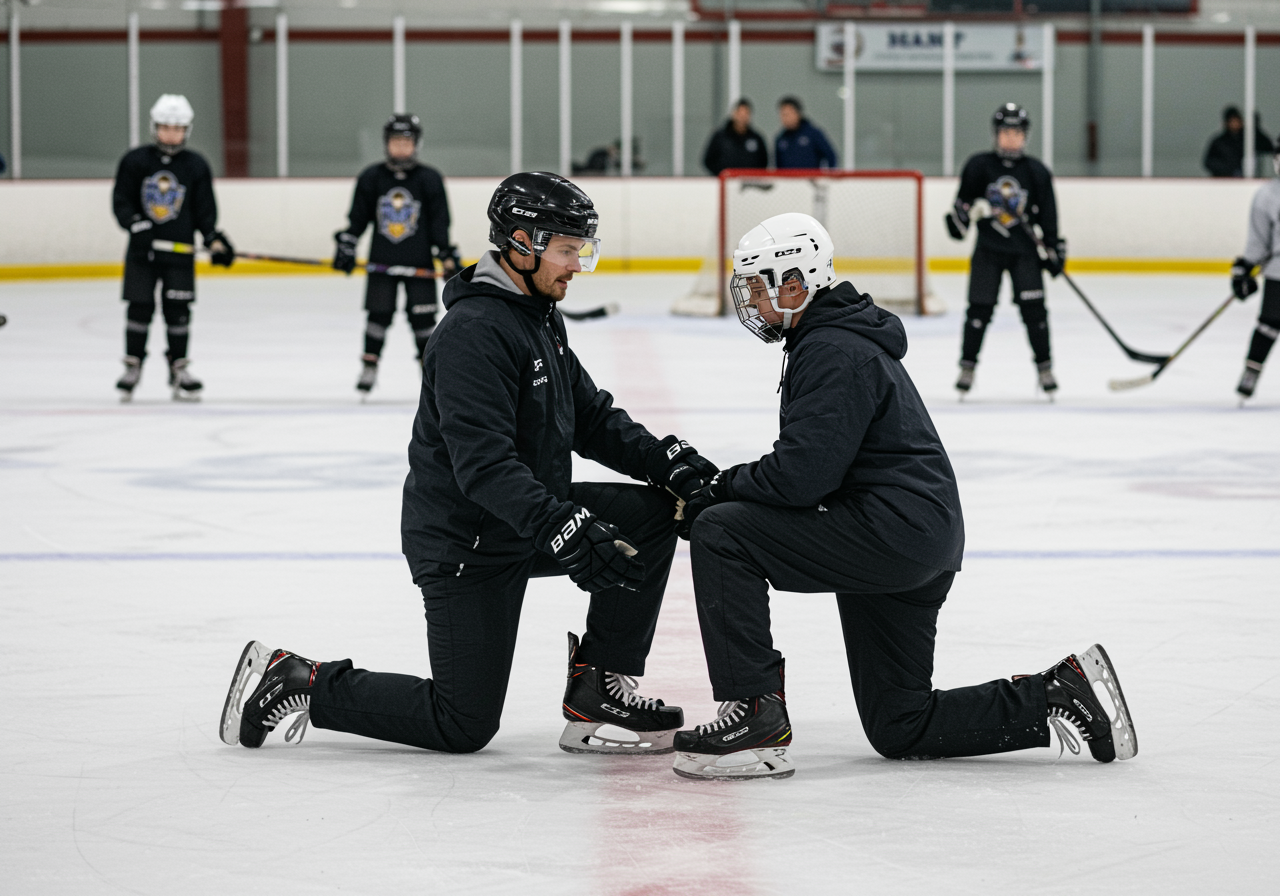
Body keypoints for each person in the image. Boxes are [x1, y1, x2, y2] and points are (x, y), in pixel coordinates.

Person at [221, 172, 720, 756]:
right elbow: (483, 466)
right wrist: (560, 524)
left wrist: (666, 462)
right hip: (466, 544)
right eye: (566, 250)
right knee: (462, 723)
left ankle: (598, 687)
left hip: (521, 522)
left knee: (652, 515)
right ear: (521, 243)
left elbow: (588, 416)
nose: (577, 266)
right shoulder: (474, 334)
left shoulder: (537, 313)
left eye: (581, 250)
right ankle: (300, 678)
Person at [665, 212, 1138, 780]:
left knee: (721, 531)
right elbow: (816, 469)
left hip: (890, 532)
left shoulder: (833, 349)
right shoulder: (830, 339)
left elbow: (801, 478)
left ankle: (754, 715)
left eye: (759, 287)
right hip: (914, 535)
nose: (753, 302)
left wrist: (720, 487)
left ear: (795, 283)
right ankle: (1057, 695)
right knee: (900, 723)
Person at [111, 94, 234, 401]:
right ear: (155, 127)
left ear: (187, 130)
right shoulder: (135, 161)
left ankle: (179, 368)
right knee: (139, 308)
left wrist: (213, 239)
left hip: (179, 252)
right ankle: (133, 365)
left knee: (178, 310)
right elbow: (121, 200)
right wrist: (135, 223)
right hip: (142, 253)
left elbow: (204, 210)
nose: (171, 134)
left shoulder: (195, 165)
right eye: (166, 127)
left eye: (178, 128)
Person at [333, 113, 459, 396]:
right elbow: (358, 218)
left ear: (416, 144)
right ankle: (369, 367)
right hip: (382, 263)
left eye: (406, 141)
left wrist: (446, 255)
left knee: (424, 322)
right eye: (395, 141)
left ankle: (430, 374)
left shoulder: (429, 178)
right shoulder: (372, 177)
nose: (400, 147)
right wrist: (348, 243)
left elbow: (439, 222)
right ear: (386, 143)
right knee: (378, 317)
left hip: (420, 264)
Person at [946, 103, 1063, 397]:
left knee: (1035, 312)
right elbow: (959, 218)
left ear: (1025, 135)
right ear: (996, 134)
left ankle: (1045, 368)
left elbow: (1048, 216)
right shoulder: (978, 166)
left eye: (1017, 132)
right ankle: (967, 367)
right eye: (1006, 132)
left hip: (1025, 253)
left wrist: (1054, 248)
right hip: (988, 251)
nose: (1011, 138)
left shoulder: (1037, 172)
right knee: (979, 310)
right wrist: (967, 214)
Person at [1230, 144, 1280, 402]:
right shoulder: (1267, 196)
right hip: (1278, 273)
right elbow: (1258, 241)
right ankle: (1251, 371)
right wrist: (1245, 267)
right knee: (1268, 325)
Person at [1204, 106, 1274, 178]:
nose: (1235, 124)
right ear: (1226, 123)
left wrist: (1255, 128)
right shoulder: (1219, 142)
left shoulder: (1248, 140)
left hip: (1245, 178)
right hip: (1224, 180)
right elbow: (1208, 162)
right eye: (1232, 121)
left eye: (1237, 120)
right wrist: (1227, 170)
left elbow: (1268, 147)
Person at [703, 98, 769, 175]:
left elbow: (764, 162)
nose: (742, 117)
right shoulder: (720, 137)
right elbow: (708, 160)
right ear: (734, 114)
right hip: (726, 180)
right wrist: (722, 173)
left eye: (746, 113)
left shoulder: (756, 139)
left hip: (750, 181)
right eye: (740, 113)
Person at [774, 97, 837, 170]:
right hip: (788, 177)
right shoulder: (780, 139)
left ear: (797, 113)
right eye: (782, 114)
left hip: (810, 176)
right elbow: (778, 166)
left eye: (788, 114)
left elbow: (830, 155)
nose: (785, 118)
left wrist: (828, 175)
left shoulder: (813, 134)